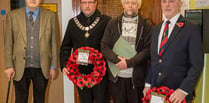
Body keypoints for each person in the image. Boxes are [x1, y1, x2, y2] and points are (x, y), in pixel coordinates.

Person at [143, 0, 204, 103]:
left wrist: (183, 90)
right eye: (164, 1)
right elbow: (154, 60)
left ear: (181, 3)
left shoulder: (191, 29)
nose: (167, 5)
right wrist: (148, 84)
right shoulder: (156, 29)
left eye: (171, 1)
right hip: (156, 93)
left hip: (177, 95)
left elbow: (196, 64)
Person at [4, 0, 58, 103]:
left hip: (42, 67)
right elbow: (8, 43)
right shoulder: (12, 15)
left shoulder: (50, 16)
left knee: (40, 100)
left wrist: (53, 66)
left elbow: (54, 43)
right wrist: (9, 65)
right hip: (19, 67)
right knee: (20, 99)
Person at [101, 0, 152, 102]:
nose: (130, 6)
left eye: (133, 3)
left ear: (138, 5)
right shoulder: (112, 23)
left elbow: (147, 50)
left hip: (137, 78)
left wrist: (129, 63)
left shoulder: (146, 24)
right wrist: (116, 60)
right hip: (117, 78)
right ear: (123, 4)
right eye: (127, 2)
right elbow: (104, 46)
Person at [60, 0, 111, 103]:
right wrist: (64, 64)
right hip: (80, 72)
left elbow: (111, 46)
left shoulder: (106, 21)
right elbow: (66, 46)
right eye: (84, 2)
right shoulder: (73, 23)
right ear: (80, 4)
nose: (87, 6)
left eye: (90, 2)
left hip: (101, 73)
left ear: (96, 3)